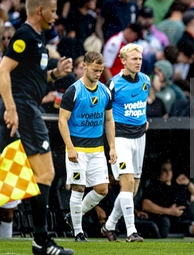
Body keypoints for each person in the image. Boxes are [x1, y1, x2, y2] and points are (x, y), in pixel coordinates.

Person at [0, 0, 74, 254]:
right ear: (40, 10)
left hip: (27, 107)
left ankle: (40, 240)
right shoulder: (24, 35)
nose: (55, 16)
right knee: (43, 174)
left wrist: (56, 74)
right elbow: (3, 70)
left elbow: (33, 77)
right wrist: (10, 107)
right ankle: (41, 241)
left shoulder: (39, 40)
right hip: (22, 109)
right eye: (53, 11)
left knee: (26, 174)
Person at [58, 51, 117, 242]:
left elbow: (109, 120)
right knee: (78, 188)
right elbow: (62, 121)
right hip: (77, 148)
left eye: (101, 70)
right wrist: (70, 147)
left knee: (102, 189)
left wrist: (112, 147)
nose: (99, 74)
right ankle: (78, 231)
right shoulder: (73, 91)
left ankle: (72, 216)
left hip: (97, 149)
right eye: (95, 70)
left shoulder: (105, 91)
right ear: (84, 66)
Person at [101, 44, 150, 242]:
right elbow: (107, 117)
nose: (138, 62)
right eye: (133, 59)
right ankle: (131, 231)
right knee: (127, 183)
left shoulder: (146, 80)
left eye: (139, 59)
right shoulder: (113, 84)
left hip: (140, 138)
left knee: (133, 188)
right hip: (121, 139)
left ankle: (110, 224)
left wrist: (144, 120)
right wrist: (111, 146)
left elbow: (141, 105)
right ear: (123, 60)